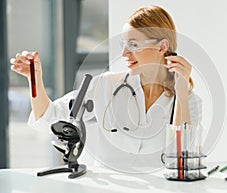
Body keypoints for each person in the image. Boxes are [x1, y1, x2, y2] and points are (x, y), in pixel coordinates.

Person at [10, 5, 203, 172]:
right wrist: (35, 78)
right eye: (124, 44)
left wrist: (181, 93)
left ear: (162, 47)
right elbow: (47, 117)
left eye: (133, 45)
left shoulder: (189, 101)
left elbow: (182, 158)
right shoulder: (104, 86)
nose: (124, 53)